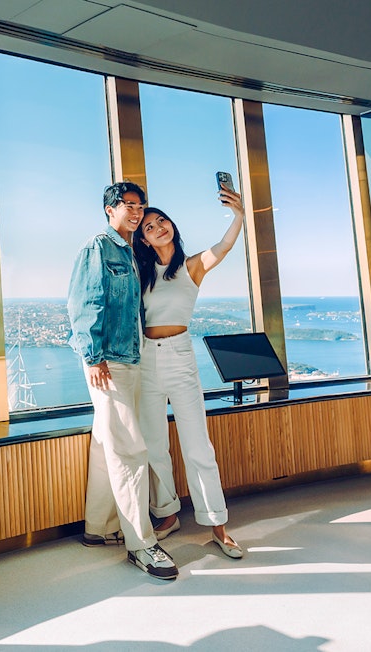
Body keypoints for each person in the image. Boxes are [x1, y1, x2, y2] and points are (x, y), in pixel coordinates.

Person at [67, 181, 179, 580]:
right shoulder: (98, 247)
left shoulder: (130, 251)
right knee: (130, 448)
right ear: (109, 209)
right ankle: (141, 544)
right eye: (127, 205)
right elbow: (84, 303)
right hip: (108, 362)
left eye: (140, 205)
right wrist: (93, 357)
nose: (136, 212)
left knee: (107, 443)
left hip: (128, 359)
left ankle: (98, 529)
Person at [131, 186, 246, 559]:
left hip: (180, 357)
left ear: (172, 227)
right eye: (149, 227)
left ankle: (217, 525)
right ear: (144, 240)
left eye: (161, 221)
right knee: (154, 444)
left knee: (197, 445)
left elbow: (225, 246)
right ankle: (166, 515)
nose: (158, 227)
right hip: (146, 359)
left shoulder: (191, 266)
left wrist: (239, 215)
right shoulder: (140, 272)